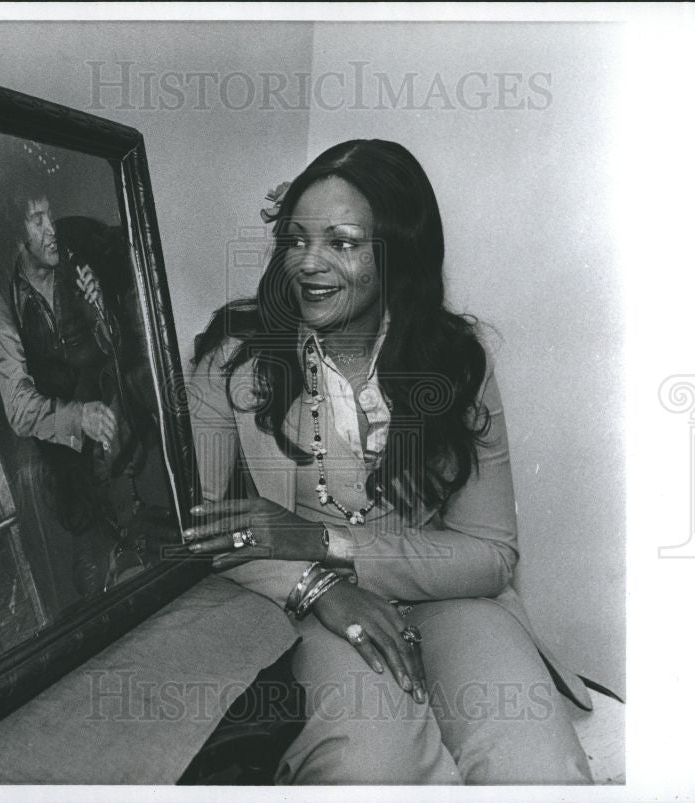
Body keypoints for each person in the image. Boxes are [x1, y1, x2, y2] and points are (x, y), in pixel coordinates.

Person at [185, 139, 594, 784]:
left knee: (536, 767)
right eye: (296, 240)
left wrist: (324, 539)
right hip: (311, 605)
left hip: (448, 598)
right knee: (369, 768)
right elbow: (207, 522)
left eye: (341, 243)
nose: (308, 264)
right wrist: (319, 585)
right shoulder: (234, 358)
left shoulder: (456, 361)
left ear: (397, 255)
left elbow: (490, 555)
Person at [0, 168, 141, 599]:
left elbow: (115, 354)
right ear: (16, 234)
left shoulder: (74, 263)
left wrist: (101, 315)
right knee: (85, 550)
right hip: (58, 435)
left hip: (106, 414)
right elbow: (16, 404)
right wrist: (76, 418)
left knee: (131, 524)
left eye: (50, 216)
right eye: (38, 221)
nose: (52, 231)